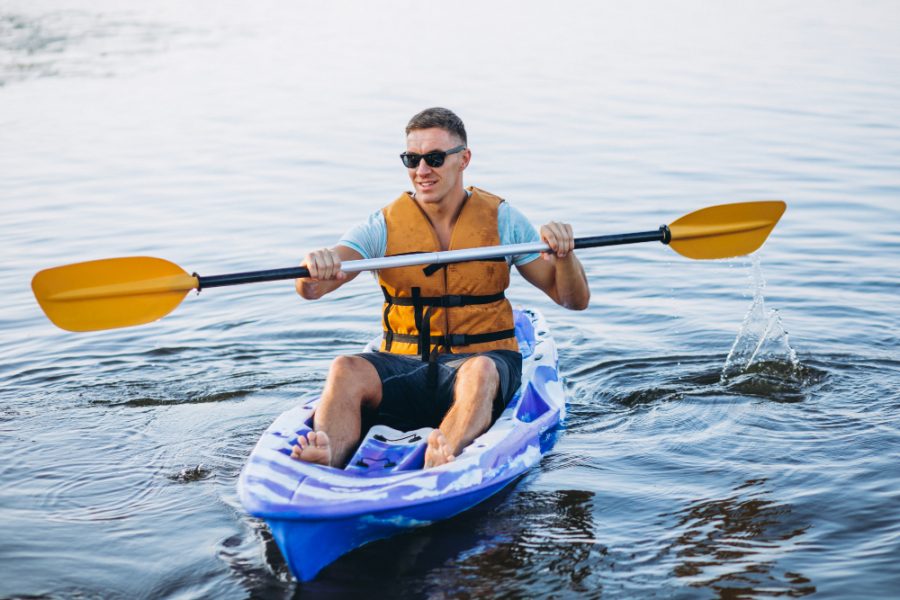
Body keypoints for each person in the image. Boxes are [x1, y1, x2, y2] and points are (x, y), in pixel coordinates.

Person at [291, 107, 590, 469]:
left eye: (434, 158)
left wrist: (564, 255)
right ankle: (328, 455)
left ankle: (443, 456)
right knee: (345, 368)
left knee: (478, 372)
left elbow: (572, 299)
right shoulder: (381, 225)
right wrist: (315, 268)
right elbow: (312, 289)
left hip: (484, 359)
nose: (421, 170)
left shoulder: (504, 220)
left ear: (464, 159)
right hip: (407, 363)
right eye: (411, 159)